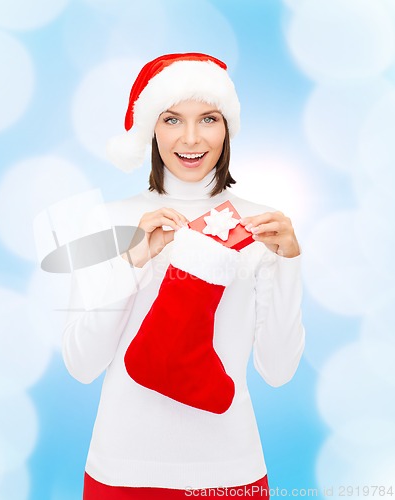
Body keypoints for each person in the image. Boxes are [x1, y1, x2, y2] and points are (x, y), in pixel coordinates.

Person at [62, 53, 305, 499]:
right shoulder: (108, 220)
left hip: (230, 472)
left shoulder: (258, 225)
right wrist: (131, 264)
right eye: (172, 119)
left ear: (227, 126)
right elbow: (81, 364)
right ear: (151, 128)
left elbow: (278, 370)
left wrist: (289, 264)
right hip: (122, 469)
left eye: (208, 118)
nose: (191, 138)